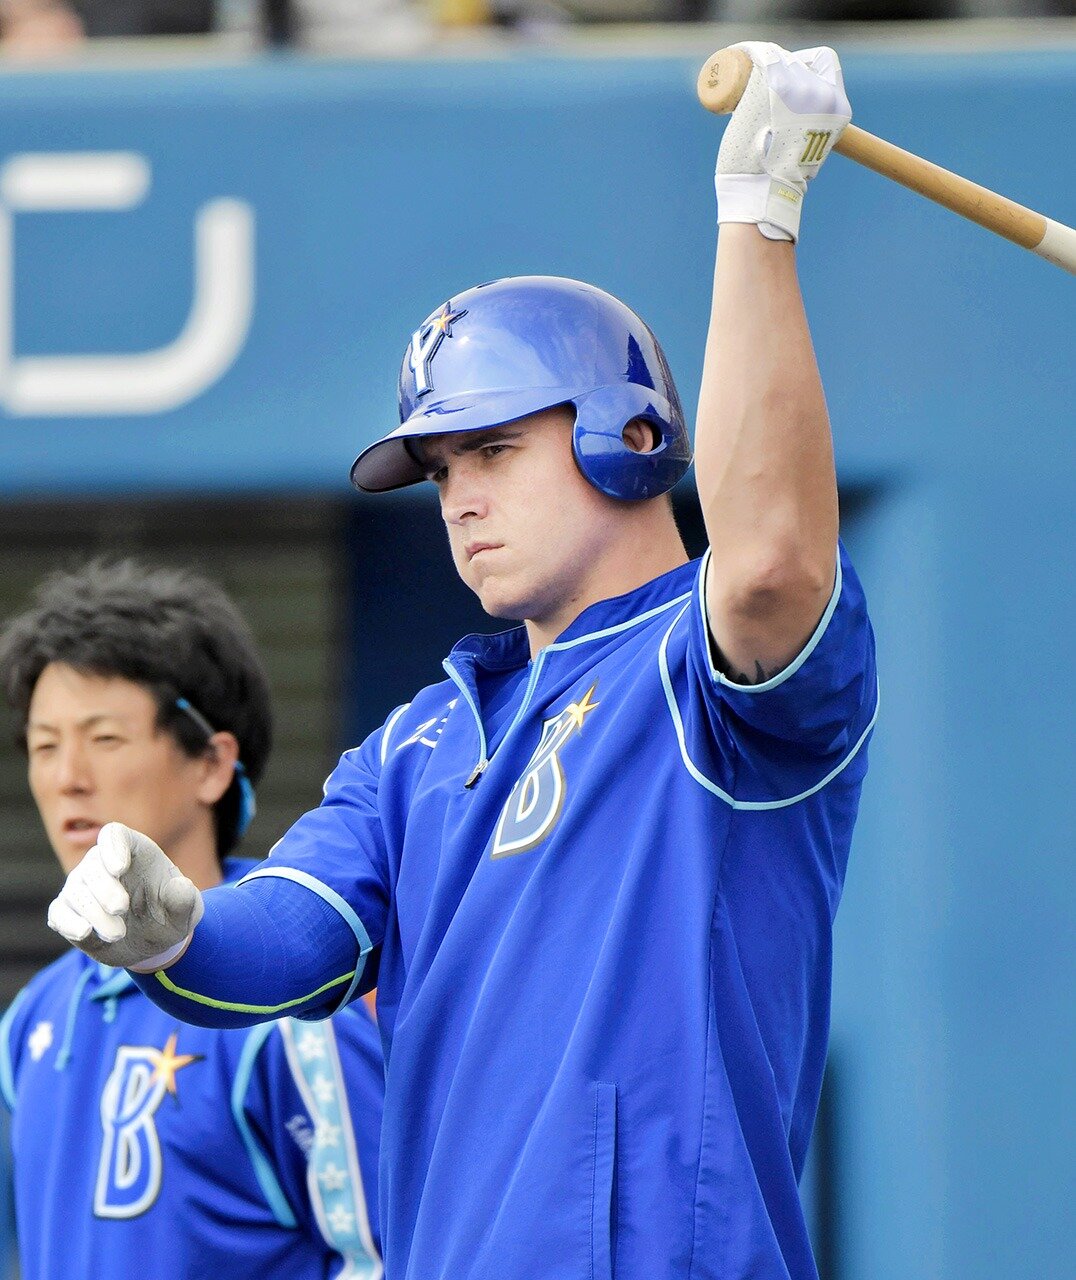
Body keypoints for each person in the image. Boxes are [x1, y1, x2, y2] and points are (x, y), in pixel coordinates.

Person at [46, 42, 877, 1280]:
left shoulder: (698, 669)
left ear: (625, 432)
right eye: (440, 470)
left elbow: (766, 566)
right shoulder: (417, 743)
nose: (458, 497)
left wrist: (755, 218)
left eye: (492, 449)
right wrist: (176, 931)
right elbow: (288, 940)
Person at [0, 561, 384, 1280]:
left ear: (210, 764)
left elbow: (388, 1256)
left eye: (104, 738)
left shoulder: (296, 1005)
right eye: (44, 745)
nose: (66, 777)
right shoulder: (31, 1019)